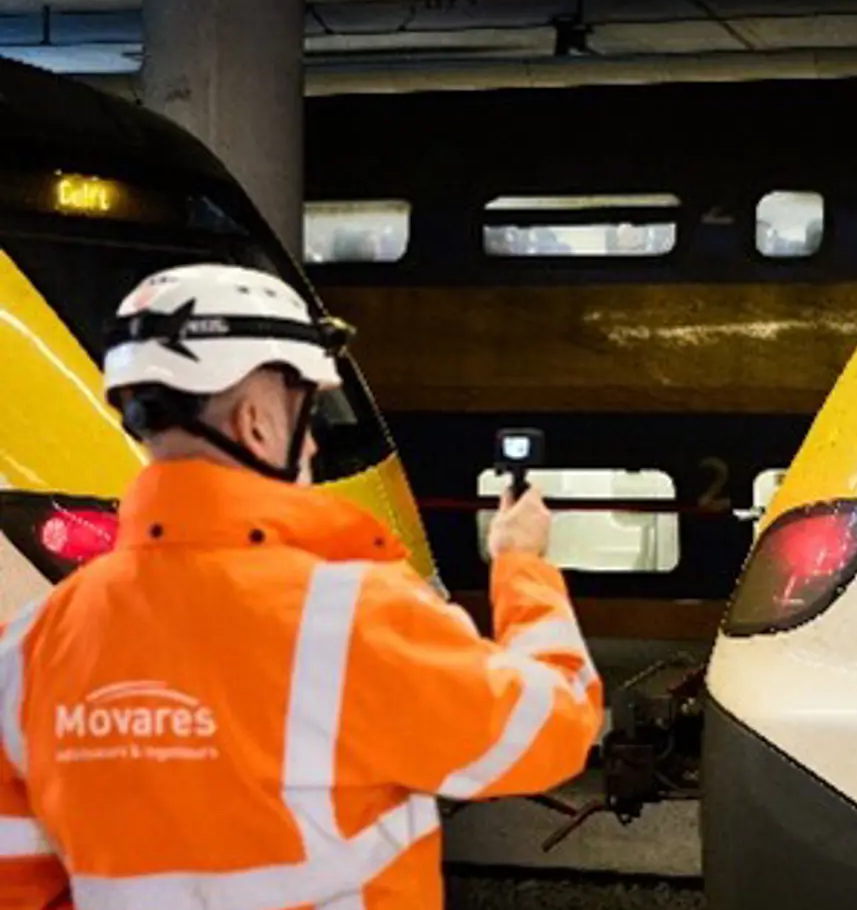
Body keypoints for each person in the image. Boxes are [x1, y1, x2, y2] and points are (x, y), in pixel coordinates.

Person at [0, 264, 601, 910]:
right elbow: (553, 726)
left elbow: (18, 880)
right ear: (259, 422)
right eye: (306, 417)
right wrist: (522, 565)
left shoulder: (30, 649)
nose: (311, 445)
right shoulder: (350, 618)